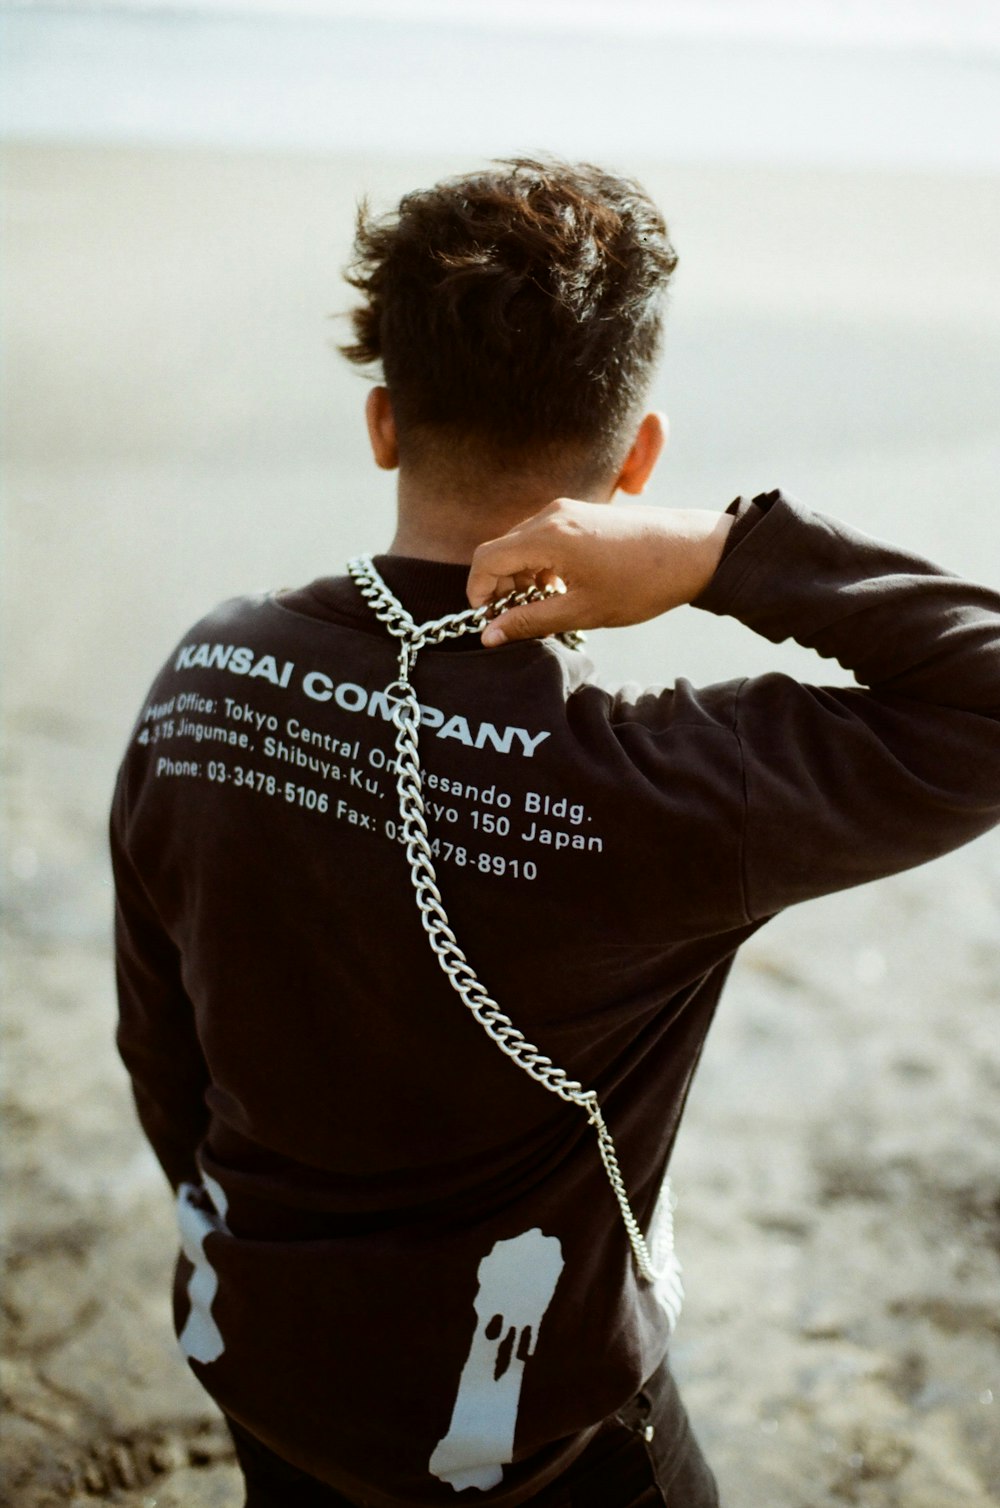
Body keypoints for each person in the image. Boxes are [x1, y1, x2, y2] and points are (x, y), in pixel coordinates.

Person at [110, 156, 1000, 1507]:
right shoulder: (661, 783)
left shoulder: (206, 675)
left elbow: (160, 1052)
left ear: (382, 422)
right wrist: (716, 552)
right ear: (634, 458)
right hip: (542, 1440)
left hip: (264, 1363)